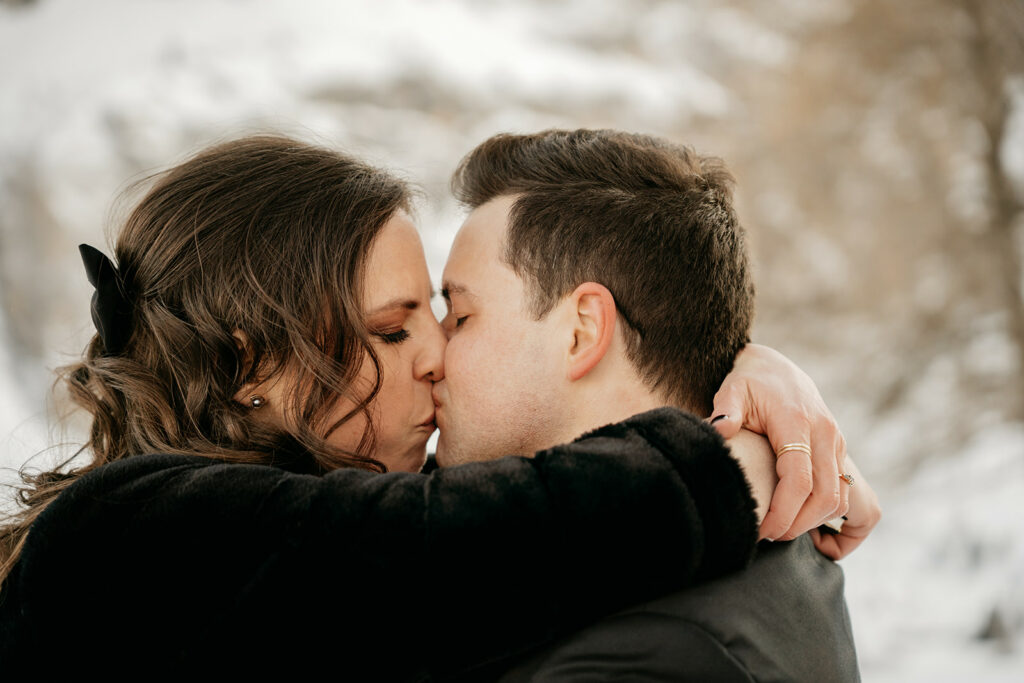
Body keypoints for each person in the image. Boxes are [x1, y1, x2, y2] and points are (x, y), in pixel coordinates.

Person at [0, 135, 862, 680]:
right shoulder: (124, 539)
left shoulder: (344, 539)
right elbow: (487, 536)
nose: (436, 355)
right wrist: (733, 458)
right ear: (248, 360)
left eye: (449, 314)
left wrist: (748, 369)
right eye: (390, 329)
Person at [432, 128, 882, 680]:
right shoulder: (656, 567)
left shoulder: (653, 655)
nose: (433, 350)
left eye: (460, 316)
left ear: (580, 331)